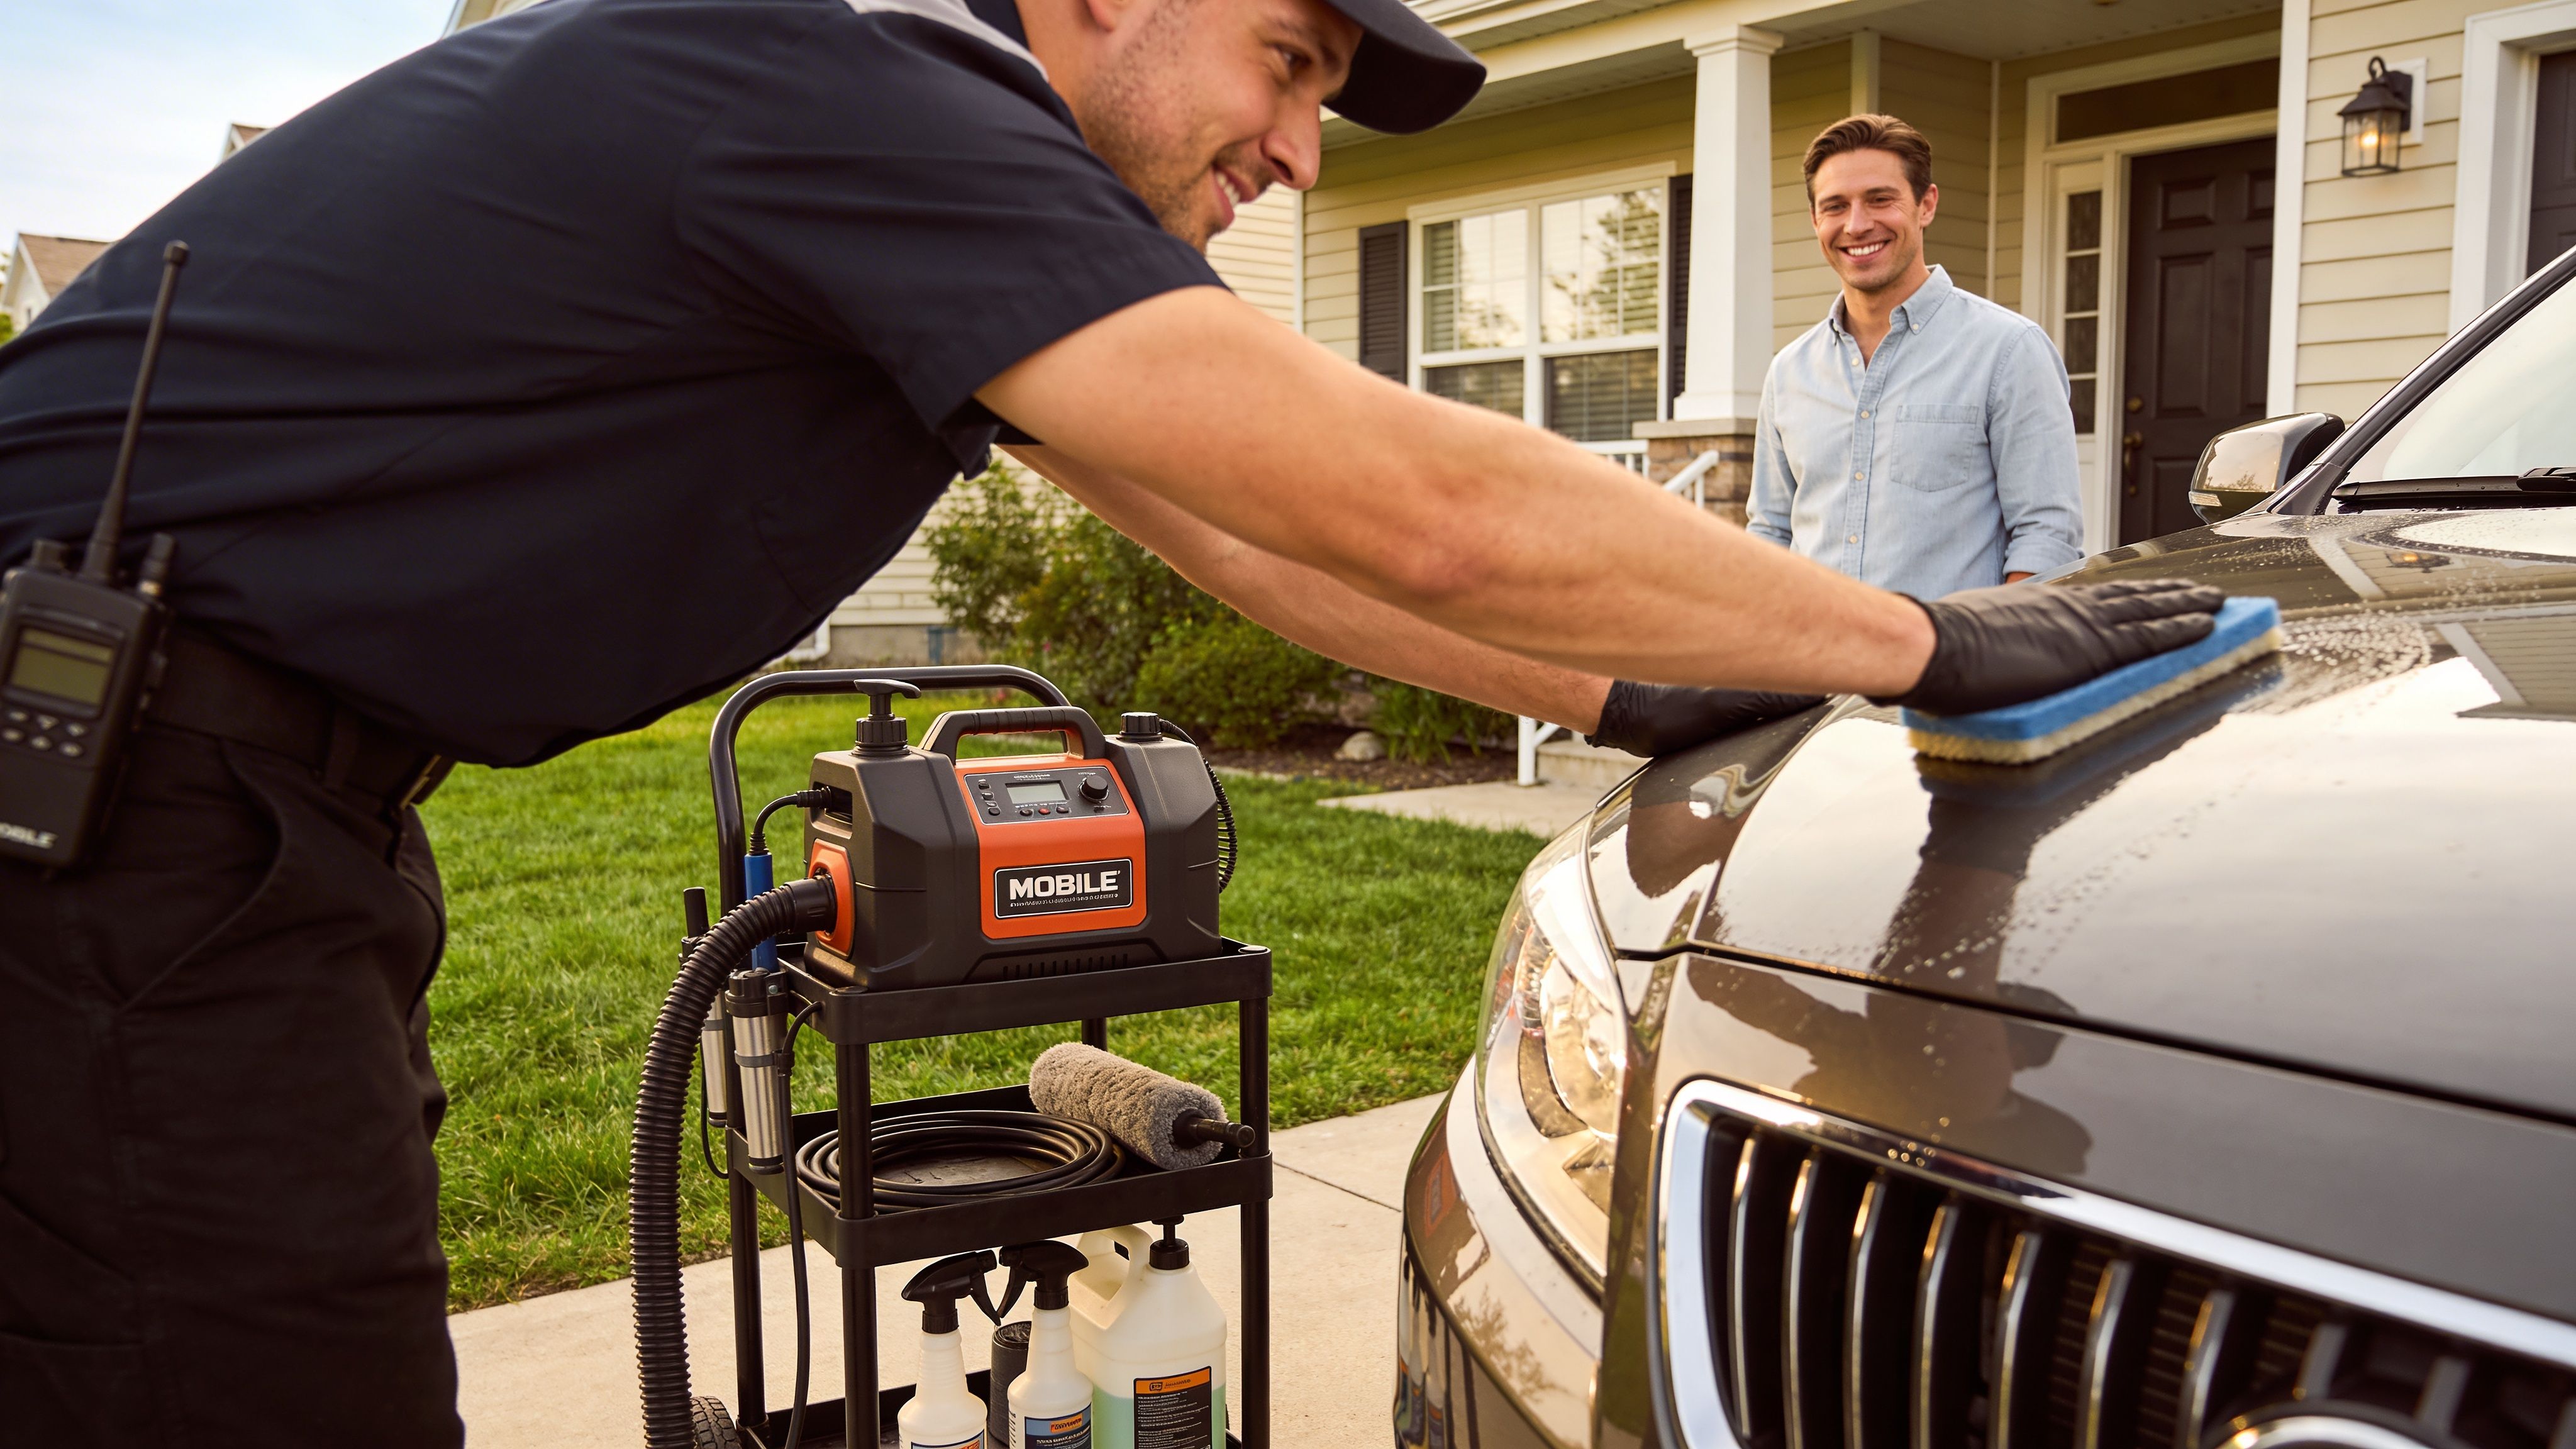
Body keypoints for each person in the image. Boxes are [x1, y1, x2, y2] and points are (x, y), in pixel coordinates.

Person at [0, 0, 2220, 1441]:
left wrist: (1637, 688)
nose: (1296, 150)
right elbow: (1410, 499)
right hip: (119, 805)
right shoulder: (853, 91)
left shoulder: (874, 163)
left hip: (218, 804)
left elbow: (1241, 537)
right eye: (1281, 60)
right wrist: (1916, 639)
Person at [1750, 114, 2086, 596]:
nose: (1857, 225)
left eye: (1880, 200)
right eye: (1835, 206)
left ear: (1926, 205)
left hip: (1949, 664)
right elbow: (1770, 534)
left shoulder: (2008, 350)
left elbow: (2047, 538)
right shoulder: (1788, 373)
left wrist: (1991, 653)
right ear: (1815, 221)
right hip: (1813, 662)